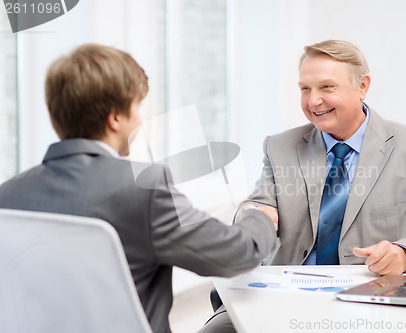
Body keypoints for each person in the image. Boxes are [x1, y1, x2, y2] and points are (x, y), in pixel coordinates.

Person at [0, 44, 278, 333]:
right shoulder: (141, 187)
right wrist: (259, 218)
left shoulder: (7, 196)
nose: (140, 120)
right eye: (136, 108)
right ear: (115, 118)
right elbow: (234, 255)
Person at [202, 39, 406, 332]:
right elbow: (259, 204)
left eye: (327, 87)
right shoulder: (280, 146)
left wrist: (405, 253)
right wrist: (253, 213)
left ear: (362, 86)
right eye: (305, 89)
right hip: (281, 297)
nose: (313, 101)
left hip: (373, 301)